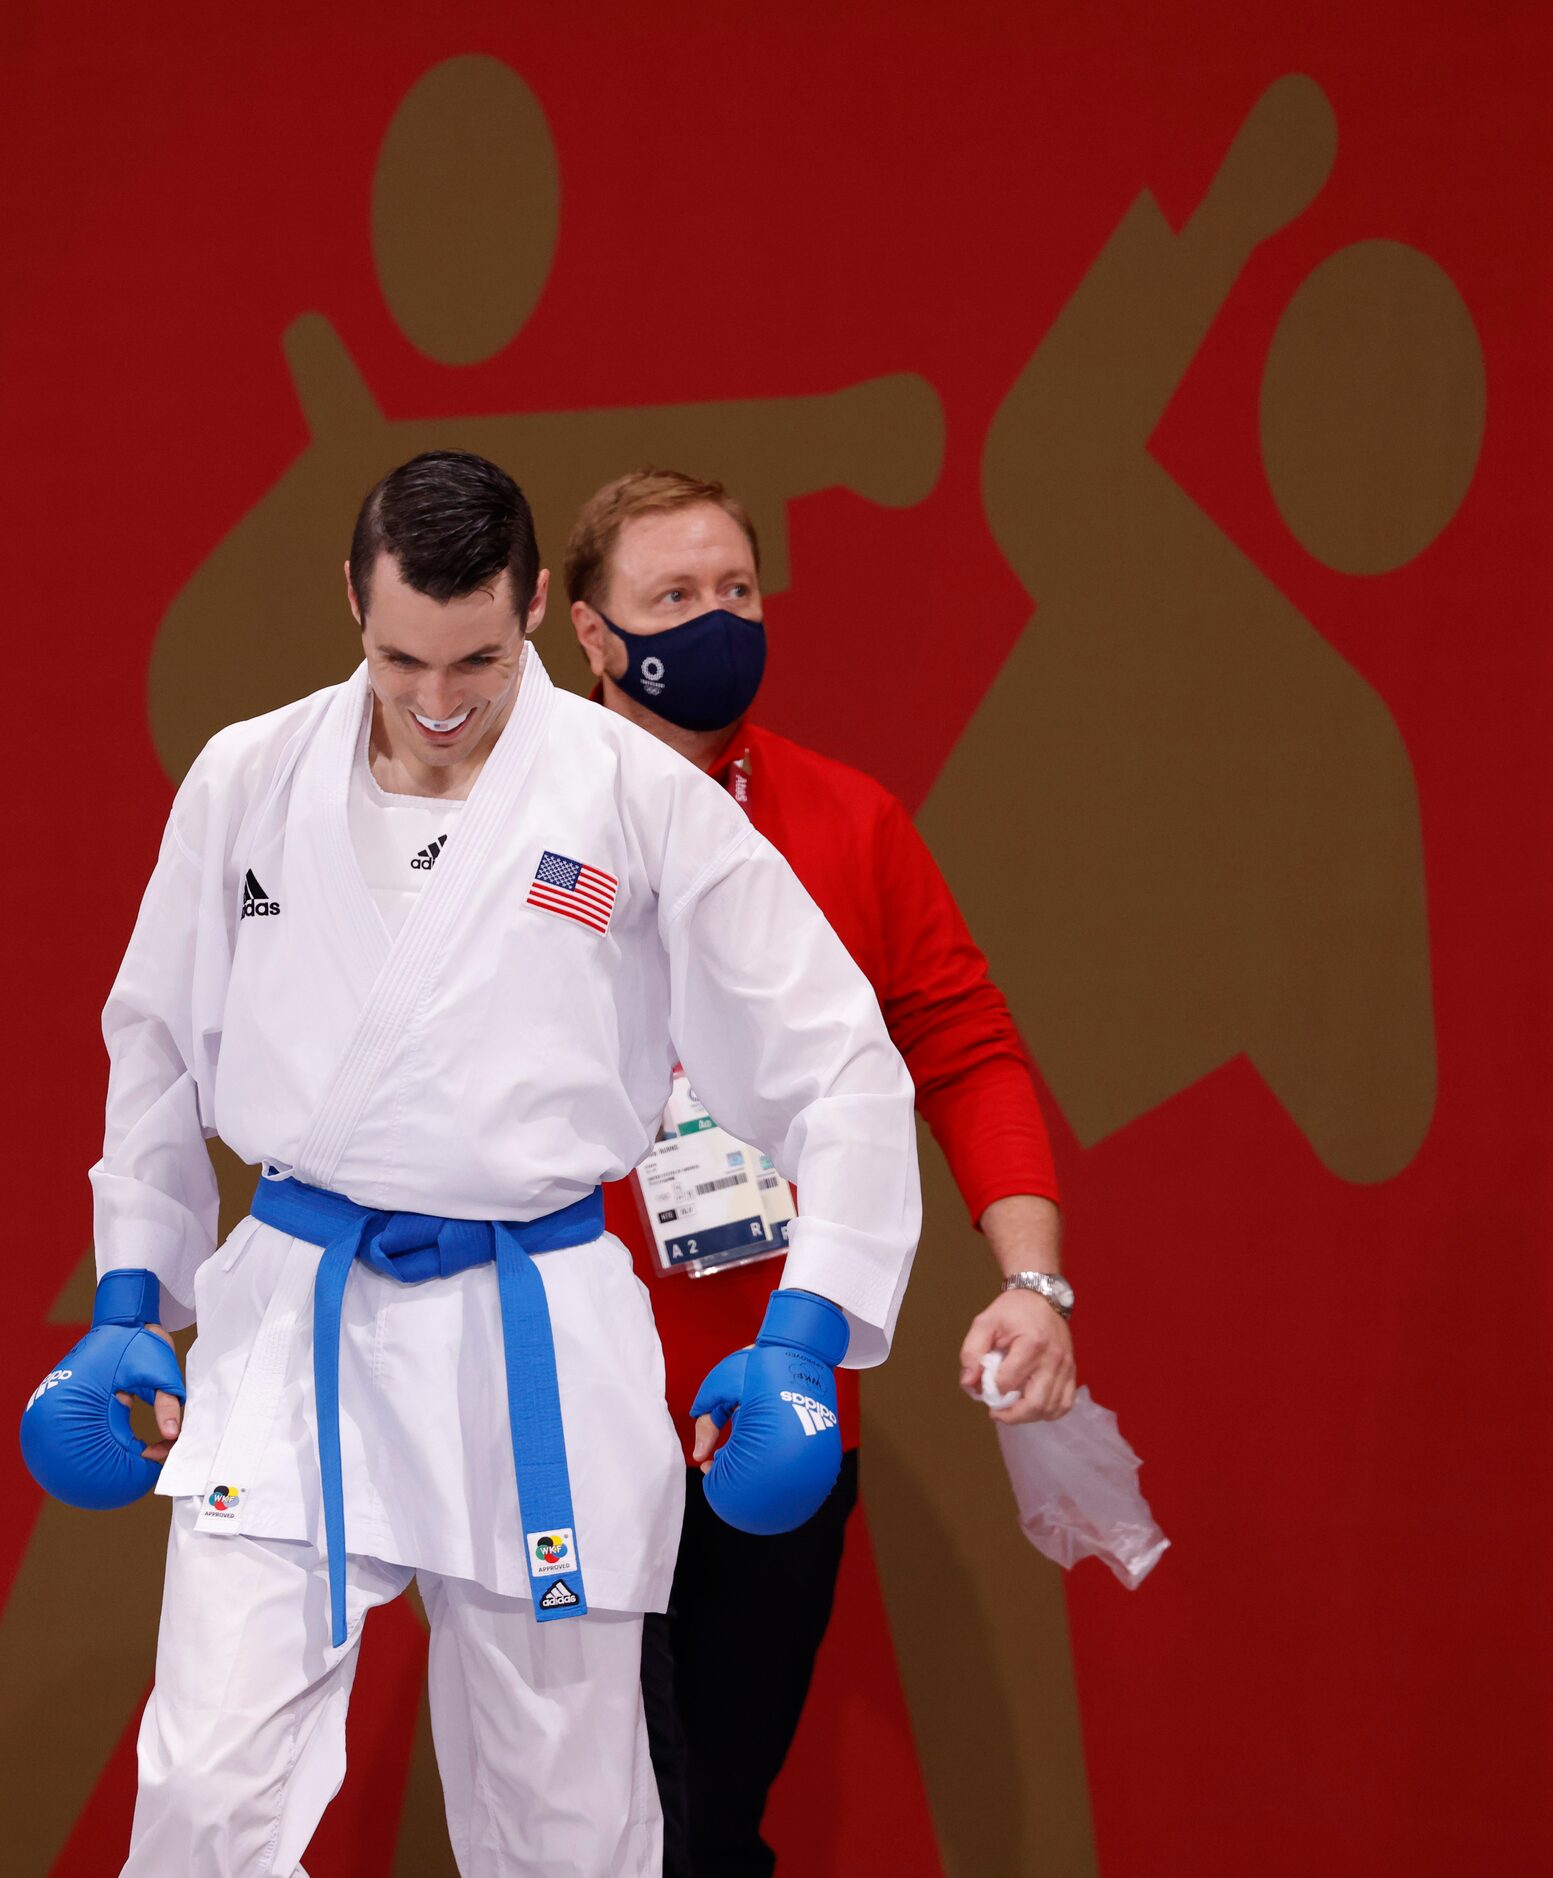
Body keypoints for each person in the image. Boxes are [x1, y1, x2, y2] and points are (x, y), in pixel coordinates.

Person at [19, 450, 922, 1877]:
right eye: (401, 661)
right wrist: (136, 1294)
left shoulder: (636, 795)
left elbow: (838, 1061)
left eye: (479, 664)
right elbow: (156, 1045)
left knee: (564, 1822)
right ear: (351, 604)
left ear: (537, 617)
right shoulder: (248, 774)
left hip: (534, 1330)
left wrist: (805, 1331)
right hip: (294, 1318)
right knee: (200, 1787)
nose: (438, 703)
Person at [565, 469, 1077, 1876]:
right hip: (556, 1403)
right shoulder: (508, 825)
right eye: (673, 596)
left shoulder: (847, 821)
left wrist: (1031, 1279)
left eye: (736, 588)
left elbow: (964, 1050)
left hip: (778, 1411)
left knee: (711, 1819)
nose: (717, 619)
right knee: (608, 1827)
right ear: (589, 634)